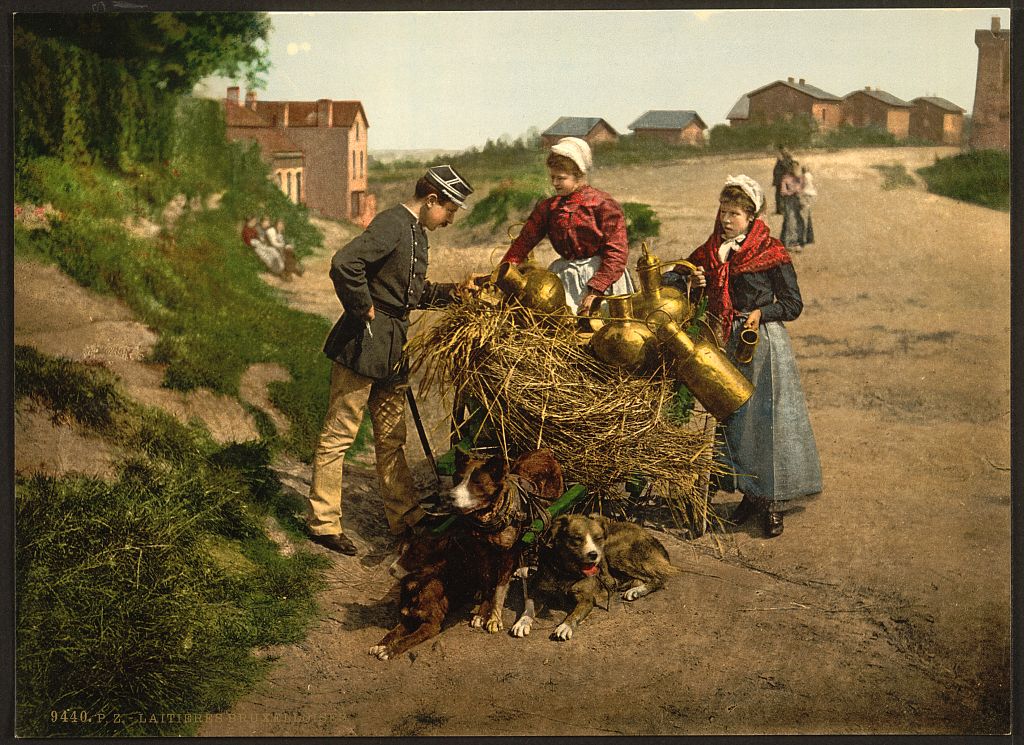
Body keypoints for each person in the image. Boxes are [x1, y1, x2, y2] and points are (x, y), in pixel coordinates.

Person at [306, 165, 476, 556]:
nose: (450, 220)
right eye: (449, 210)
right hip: (363, 344)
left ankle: (405, 517)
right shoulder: (392, 223)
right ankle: (323, 522)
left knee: (391, 436)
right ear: (431, 199)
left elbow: (408, 293)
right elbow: (344, 263)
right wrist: (362, 306)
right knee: (339, 435)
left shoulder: (416, 232)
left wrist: (455, 293)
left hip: (392, 347)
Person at [679, 175, 821, 537]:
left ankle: (772, 504)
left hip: (765, 345)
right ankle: (748, 494)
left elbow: (792, 304)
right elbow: (681, 280)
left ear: (752, 216)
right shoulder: (711, 252)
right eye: (724, 212)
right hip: (729, 345)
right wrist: (695, 283)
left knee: (770, 423)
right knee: (735, 421)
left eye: (736, 214)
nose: (727, 220)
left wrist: (761, 314)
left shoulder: (770, 251)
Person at [500, 136, 634, 316]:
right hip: (564, 277)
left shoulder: (603, 204)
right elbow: (524, 242)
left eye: (561, 178)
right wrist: (502, 273)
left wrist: (596, 289)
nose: (554, 183)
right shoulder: (549, 208)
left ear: (579, 175)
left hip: (602, 276)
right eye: (552, 177)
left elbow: (616, 252)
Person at [779, 160, 806, 253]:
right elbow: (783, 192)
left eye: (796, 168)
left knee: (799, 221)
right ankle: (789, 242)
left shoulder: (799, 178)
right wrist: (792, 192)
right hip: (789, 201)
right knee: (790, 222)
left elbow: (802, 189)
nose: (795, 169)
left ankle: (797, 242)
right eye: (794, 167)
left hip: (798, 201)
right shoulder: (786, 178)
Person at [771, 145, 793, 215]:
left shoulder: (787, 158)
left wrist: (782, 160)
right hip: (779, 179)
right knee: (778, 195)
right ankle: (779, 210)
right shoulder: (782, 158)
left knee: (782, 195)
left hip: (783, 179)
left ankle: (783, 209)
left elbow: (787, 167)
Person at [798, 164, 816, 248]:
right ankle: (810, 237)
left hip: (805, 195)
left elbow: (801, 187)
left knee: (803, 217)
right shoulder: (810, 175)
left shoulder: (803, 176)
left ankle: (803, 239)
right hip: (811, 195)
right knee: (808, 216)